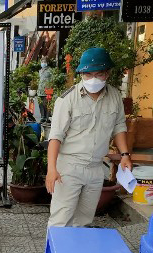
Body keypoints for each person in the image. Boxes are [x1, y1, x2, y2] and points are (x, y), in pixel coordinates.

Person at [46, 47, 132, 229]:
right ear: (81, 74)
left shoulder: (115, 96)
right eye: (88, 74)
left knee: (84, 221)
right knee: (61, 221)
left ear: (107, 73)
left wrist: (125, 155)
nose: (93, 79)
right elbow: (55, 137)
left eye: (99, 74)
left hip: (95, 168)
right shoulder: (67, 99)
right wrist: (51, 169)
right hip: (69, 167)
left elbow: (119, 127)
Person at [37, 57, 52, 122]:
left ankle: (47, 117)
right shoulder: (40, 71)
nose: (43, 63)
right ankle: (42, 117)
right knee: (41, 104)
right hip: (40, 90)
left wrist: (51, 87)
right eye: (42, 62)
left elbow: (52, 79)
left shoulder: (50, 70)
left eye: (44, 62)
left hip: (47, 90)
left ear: (47, 63)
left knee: (46, 104)